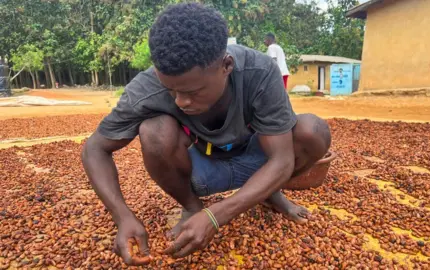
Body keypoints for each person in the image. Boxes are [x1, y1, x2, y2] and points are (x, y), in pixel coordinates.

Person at [81, 2, 331, 266]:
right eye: (171, 90)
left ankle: (270, 192)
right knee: (153, 130)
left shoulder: (259, 71)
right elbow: (94, 149)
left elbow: (281, 160)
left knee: (313, 131)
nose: (180, 102)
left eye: (192, 91)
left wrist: (216, 216)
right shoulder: (146, 87)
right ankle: (191, 206)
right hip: (201, 169)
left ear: (226, 65)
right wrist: (122, 216)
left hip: (258, 160)